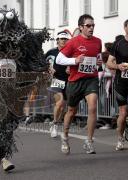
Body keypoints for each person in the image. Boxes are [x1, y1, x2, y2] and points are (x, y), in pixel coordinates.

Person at [56, 14, 103, 154]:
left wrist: (99, 63)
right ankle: (64, 136)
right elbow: (59, 59)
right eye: (88, 25)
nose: (91, 28)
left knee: (93, 106)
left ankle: (89, 141)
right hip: (75, 81)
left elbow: (97, 58)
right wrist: (74, 61)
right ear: (81, 27)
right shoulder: (73, 42)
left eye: (93, 25)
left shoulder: (98, 41)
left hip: (91, 79)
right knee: (71, 111)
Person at [106, 19, 128, 151]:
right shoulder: (118, 43)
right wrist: (118, 66)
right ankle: (120, 139)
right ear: (125, 28)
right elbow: (109, 63)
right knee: (123, 112)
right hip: (122, 84)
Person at [45, 30, 70, 138]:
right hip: (56, 80)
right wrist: (49, 69)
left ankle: (55, 122)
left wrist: (71, 68)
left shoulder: (70, 52)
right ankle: (55, 125)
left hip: (68, 80)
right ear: (57, 40)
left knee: (63, 107)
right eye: (62, 39)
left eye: (66, 39)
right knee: (59, 103)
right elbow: (42, 63)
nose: (64, 41)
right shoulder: (51, 52)